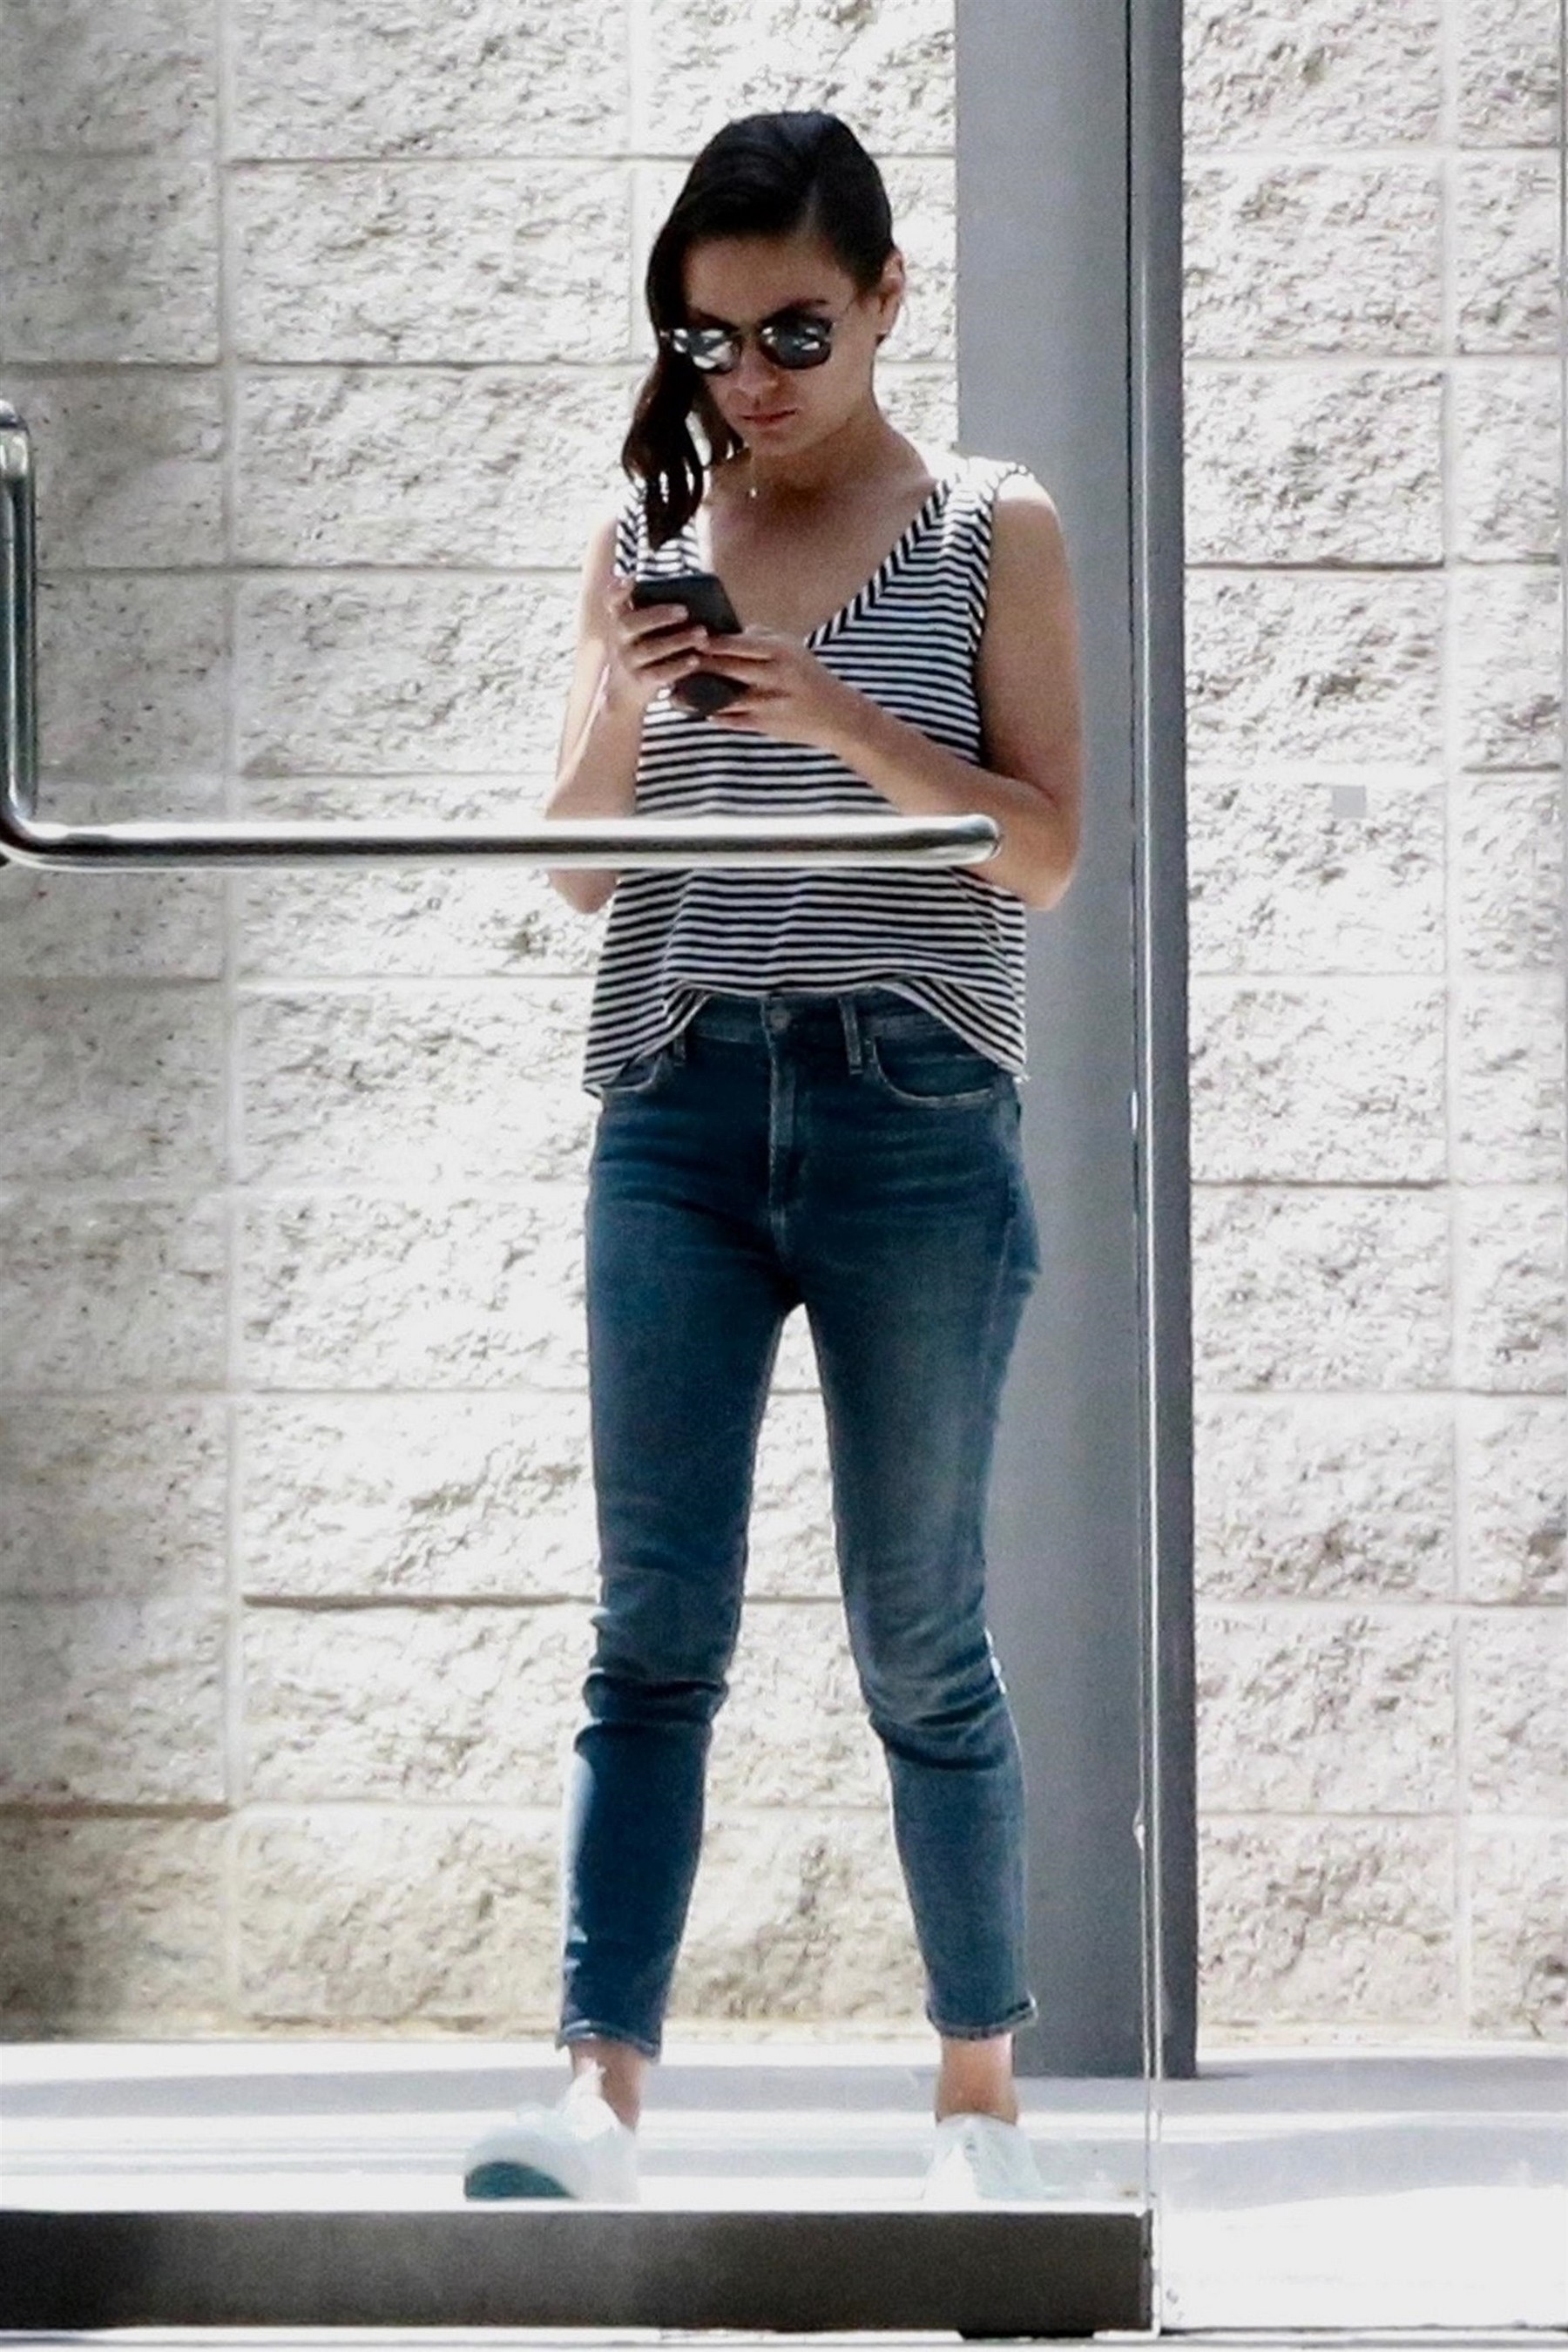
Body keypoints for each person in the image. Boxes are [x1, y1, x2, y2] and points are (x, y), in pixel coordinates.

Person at [463, 108, 1082, 2208]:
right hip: (678, 1107)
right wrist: (641, 700)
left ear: (887, 297)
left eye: (796, 329)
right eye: (710, 338)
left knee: (921, 1635)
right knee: (653, 1633)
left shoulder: (993, 523)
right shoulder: (650, 522)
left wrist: (825, 714)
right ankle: (596, 2101)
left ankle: (981, 2108)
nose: (753, 378)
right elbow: (576, 870)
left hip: (916, 1114)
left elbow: (1044, 851)